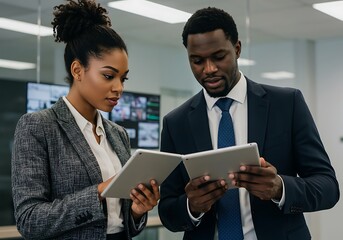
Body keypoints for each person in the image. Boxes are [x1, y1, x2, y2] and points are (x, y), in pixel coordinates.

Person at [158, 6, 339, 240]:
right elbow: (168, 211)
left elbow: (327, 187)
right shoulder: (176, 122)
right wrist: (191, 206)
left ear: (237, 49)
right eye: (197, 61)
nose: (209, 69)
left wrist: (279, 188)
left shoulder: (286, 104)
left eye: (219, 57)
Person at [11, 0, 159, 239]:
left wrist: (137, 211)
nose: (118, 88)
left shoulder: (117, 134)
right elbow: (29, 220)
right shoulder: (38, 126)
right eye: (109, 76)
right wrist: (99, 192)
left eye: (123, 78)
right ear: (78, 70)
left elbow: (121, 222)